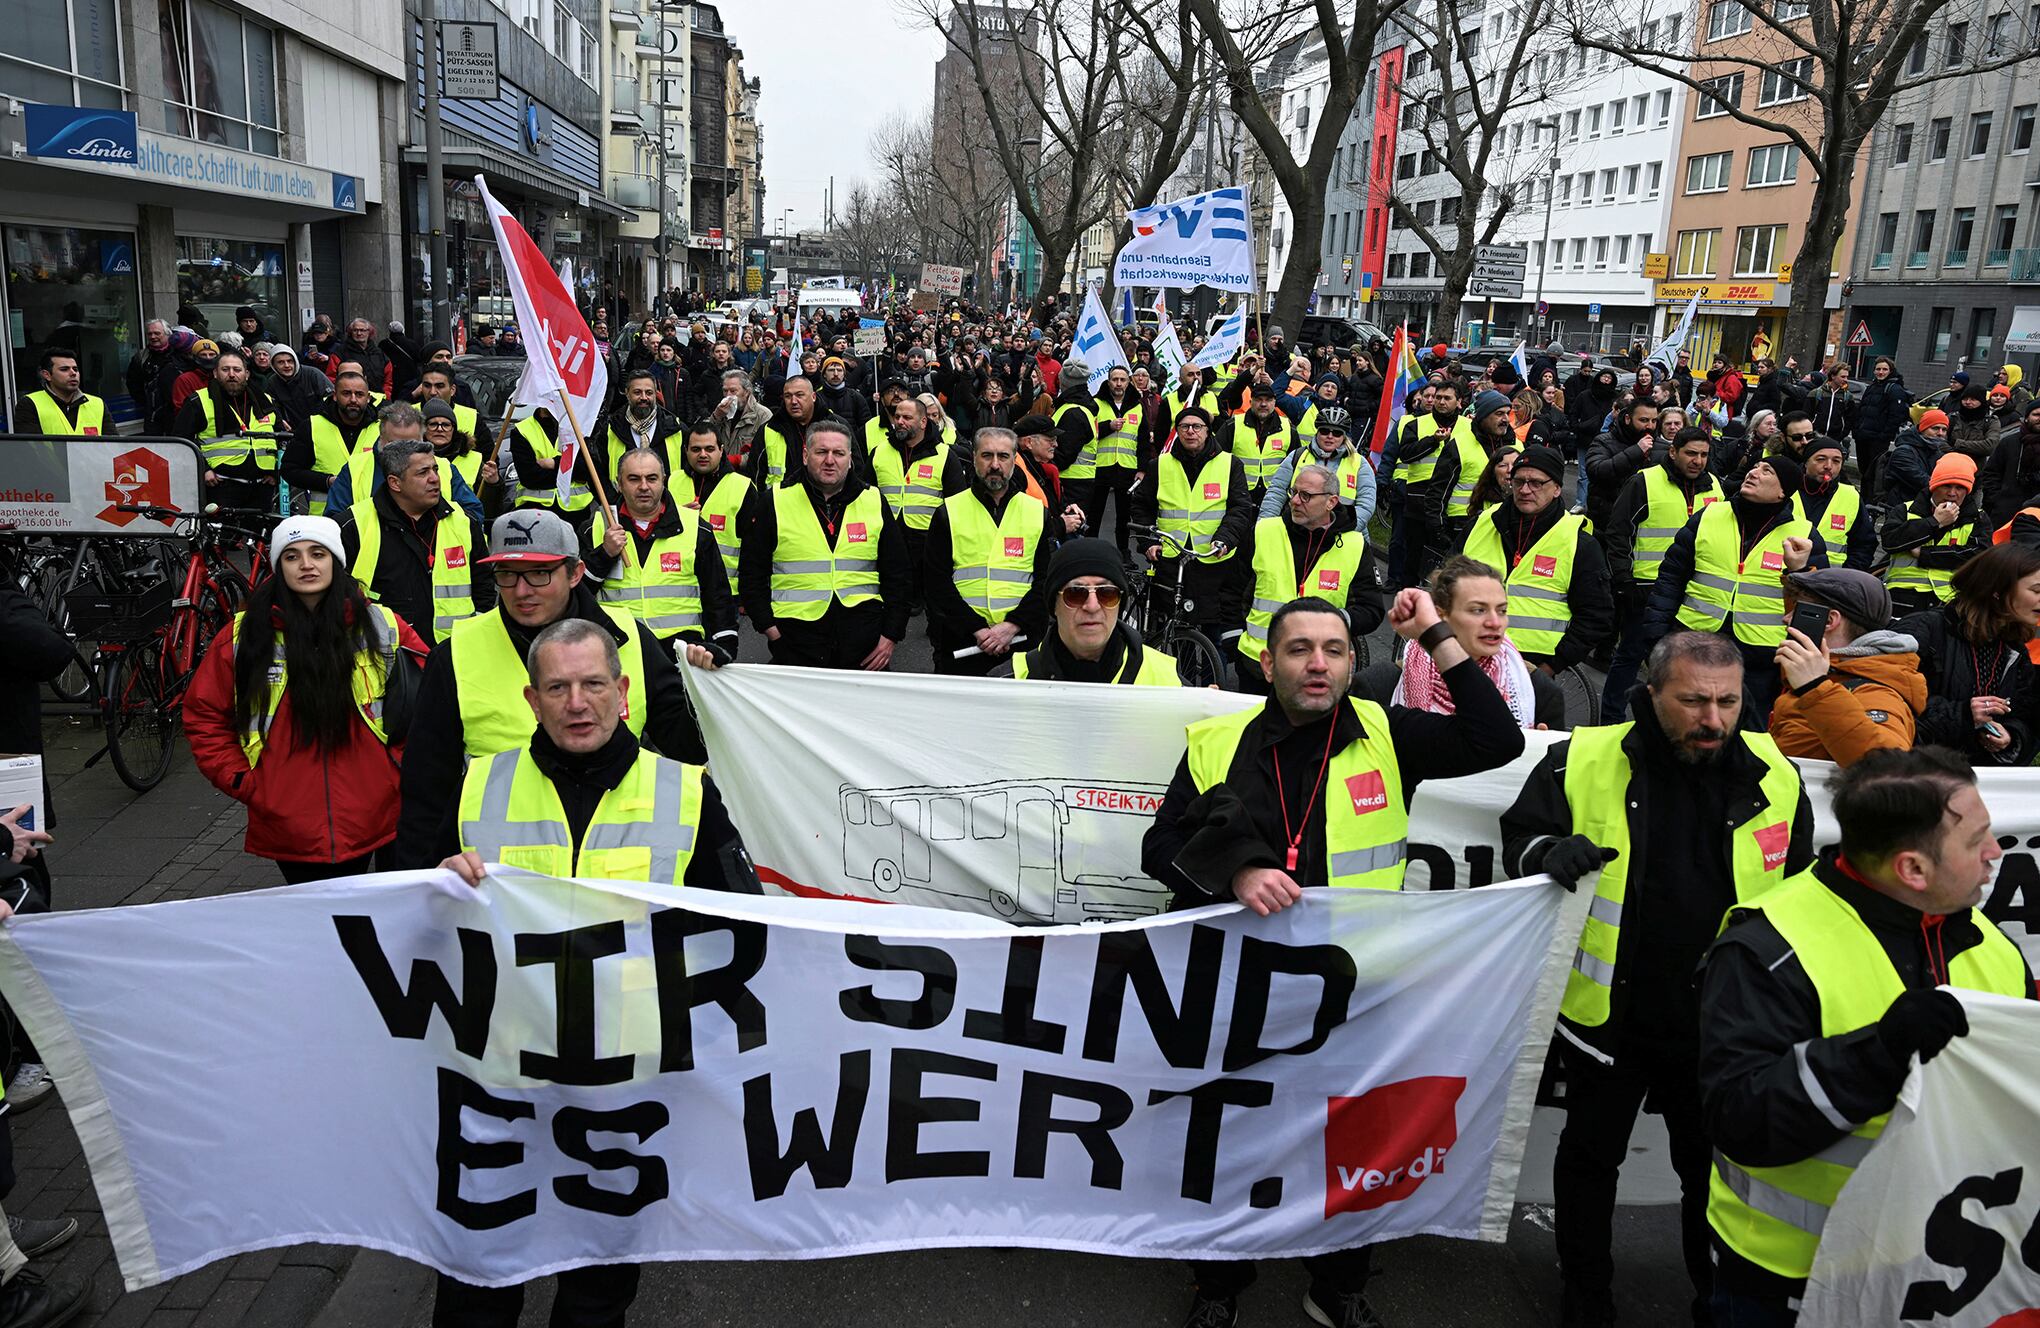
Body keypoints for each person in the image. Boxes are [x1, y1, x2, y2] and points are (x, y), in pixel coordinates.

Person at [1142, 593, 1525, 1328]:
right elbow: (1158, 849)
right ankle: (1219, 1286)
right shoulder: (1218, 741)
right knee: (1233, 1143)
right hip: (1243, 986)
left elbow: (1496, 740)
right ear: (1267, 662)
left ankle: (1339, 1283)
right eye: (1298, 649)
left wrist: (1436, 634)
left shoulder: (1388, 732)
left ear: (1355, 663)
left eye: (1334, 650)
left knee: (1353, 1145)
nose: (1317, 665)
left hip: (1359, 988)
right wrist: (1238, 873)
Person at [432, 621, 753, 1328]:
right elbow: (412, 920)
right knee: (479, 1270)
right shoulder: (478, 785)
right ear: (532, 698)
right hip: (502, 1075)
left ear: (624, 691)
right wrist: (437, 885)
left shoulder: (688, 794)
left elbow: (743, 931)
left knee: (598, 1279)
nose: (577, 703)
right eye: (558, 687)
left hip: (624, 1080)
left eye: (593, 684)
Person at [1500, 630, 1814, 1328]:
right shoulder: (1579, 759)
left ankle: (1715, 1300)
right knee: (1589, 1163)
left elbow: (1801, 896)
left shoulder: (1776, 773)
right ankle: (1586, 1296)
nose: (1714, 720)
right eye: (1694, 701)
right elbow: (1517, 840)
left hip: (1721, 1027)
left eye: (1729, 702)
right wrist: (1548, 850)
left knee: (1711, 1176)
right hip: (1611, 1016)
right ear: (1651, 695)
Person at [1697, 748, 2035, 1326]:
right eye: (1978, 839)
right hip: (1789, 1282)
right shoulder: (1767, 950)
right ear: (1912, 870)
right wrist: (1881, 1052)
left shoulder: (1977, 931)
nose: (1995, 853)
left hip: (1929, 1271)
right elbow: (1742, 1117)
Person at [391, 510, 710, 868]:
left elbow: (690, 745)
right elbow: (425, 790)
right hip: (506, 880)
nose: (521, 591)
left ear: (575, 573)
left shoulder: (630, 637)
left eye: (539, 574)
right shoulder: (455, 654)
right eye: (507, 575)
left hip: (617, 868)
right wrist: (417, 888)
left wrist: (711, 687)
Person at [184, 515, 429, 882]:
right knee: (316, 930)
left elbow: (430, 704)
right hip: (289, 820)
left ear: (337, 561)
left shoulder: (383, 626)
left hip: (375, 810)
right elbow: (204, 716)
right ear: (279, 567)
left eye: (318, 553)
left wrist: (397, 768)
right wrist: (242, 780)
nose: (307, 565)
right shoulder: (242, 636)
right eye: (292, 556)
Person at [1642, 455, 1819, 723]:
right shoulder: (1710, 515)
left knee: (1747, 735)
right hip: (1694, 643)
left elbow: (1815, 606)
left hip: (1760, 659)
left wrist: (1800, 572)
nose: (1755, 472)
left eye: (1767, 471)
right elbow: (1670, 580)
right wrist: (1656, 637)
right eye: (1755, 466)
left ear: (1783, 491)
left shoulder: (1804, 535)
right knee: (1680, 725)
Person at [740, 419, 911, 670]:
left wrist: (890, 637)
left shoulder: (873, 500)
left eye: (838, 453)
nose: (830, 460)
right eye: (821, 452)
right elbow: (751, 573)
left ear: (850, 458)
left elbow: (899, 575)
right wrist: (771, 631)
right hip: (796, 642)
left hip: (865, 646)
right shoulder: (774, 501)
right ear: (806, 455)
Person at [1601, 427, 1723, 719]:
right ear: (1673, 452)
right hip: (1646, 588)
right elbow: (1618, 533)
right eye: (1691, 453)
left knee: (1675, 665)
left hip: (1692, 592)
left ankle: (1660, 725)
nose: (1698, 461)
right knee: (1630, 657)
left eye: (1704, 455)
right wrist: (1625, 582)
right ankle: (1609, 722)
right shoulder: (1644, 482)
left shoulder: (1715, 487)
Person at [1459, 444, 1613, 676]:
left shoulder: (1579, 543)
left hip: (1530, 667)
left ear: (1557, 489)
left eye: (1536, 483)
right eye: (1518, 482)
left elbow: (1596, 616)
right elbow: (1445, 585)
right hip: (1467, 653)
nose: (1525, 490)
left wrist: (1551, 667)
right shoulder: (1481, 524)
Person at [1234, 464, 1385, 693]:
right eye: (1293, 492)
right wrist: (1232, 640)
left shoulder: (1354, 545)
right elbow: (1232, 590)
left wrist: (1333, 619)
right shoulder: (1263, 531)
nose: (1295, 501)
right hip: (1259, 667)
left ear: (1331, 502)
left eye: (1305, 496)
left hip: (1317, 674)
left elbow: (1371, 610)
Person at [921, 427, 1054, 675]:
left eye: (1003, 456)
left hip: (1021, 642)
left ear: (1015, 460)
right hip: (962, 642)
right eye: (987, 456)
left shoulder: (1037, 512)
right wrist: (978, 629)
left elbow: (1046, 581)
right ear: (974, 458)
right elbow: (936, 581)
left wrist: (1012, 626)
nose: (995, 464)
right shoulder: (948, 511)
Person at [332, 439, 488, 646]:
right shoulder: (352, 526)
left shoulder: (464, 522)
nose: (435, 479)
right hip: (383, 655)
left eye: (435, 469)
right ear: (395, 483)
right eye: (422, 473)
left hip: (452, 653)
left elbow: (484, 588)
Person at [1895, 541, 2040, 765]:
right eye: (2036, 590)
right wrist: (1963, 715)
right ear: (1997, 590)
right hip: (1915, 778)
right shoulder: (1922, 630)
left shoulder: (2013, 648)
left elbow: (2025, 716)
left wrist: (2010, 737)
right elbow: (1886, 704)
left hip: (1977, 784)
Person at [1770, 568, 1923, 764]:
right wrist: (1797, 569)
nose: (1786, 618)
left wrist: (1815, 687)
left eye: (1797, 611)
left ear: (1830, 621)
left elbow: (1888, 766)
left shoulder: (1876, 692)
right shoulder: (1833, 672)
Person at [1387, 555, 1561, 728]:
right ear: (1441, 615)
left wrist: (1541, 751)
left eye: (1502, 610)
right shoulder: (1389, 679)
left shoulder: (1537, 688)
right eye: (1478, 610)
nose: (1495, 622)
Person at [1132, 405, 1252, 636]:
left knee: (1212, 627)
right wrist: (1148, 543)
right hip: (1170, 557)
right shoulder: (1160, 465)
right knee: (1173, 626)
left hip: (1213, 558)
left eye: (1197, 426)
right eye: (1184, 427)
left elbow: (1240, 508)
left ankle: (1209, 672)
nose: (1190, 432)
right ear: (1177, 431)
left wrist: (1225, 539)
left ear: (1208, 431)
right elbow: (1141, 507)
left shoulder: (1230, 463)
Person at [992, 538, 1182, 683]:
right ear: (1054, 605)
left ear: (1120, 603)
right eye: (1075, 593)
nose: (1092, 606)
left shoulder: (1169, 681)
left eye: (1107, 593)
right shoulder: (1008, 682)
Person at [322, 402, 484, 524]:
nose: (404, 452)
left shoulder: (445, 469)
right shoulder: (356, 467)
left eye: (412, 444)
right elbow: (334, 521)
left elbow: (473, 515)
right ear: (381, 439)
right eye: (395, 444)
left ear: (423, 440)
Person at [1391, 378, 1485, 582]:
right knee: (1413, 557)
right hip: (1419, 501)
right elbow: (1405, 454)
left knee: (1449, 560)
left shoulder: (1470, 427)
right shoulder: (1416, 424)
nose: (1441, 402)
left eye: (1447, 398)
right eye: (1438, 398)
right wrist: (1433, 441)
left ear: (1459, 402)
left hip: (1454, 507)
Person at [173, 345, 283, 511]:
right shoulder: (199, 401)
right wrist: (203, 470)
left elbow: (281, 439)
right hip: (221, 486)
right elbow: (181, 442)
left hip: (263, 486)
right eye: (225, 369)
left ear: (246, 374)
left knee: (260, 534)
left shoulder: (266, 401)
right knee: (225, 536)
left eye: (237, 370)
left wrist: (276, 473)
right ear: (216, 374)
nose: (231, 374)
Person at [1881, 453, 1986, 616]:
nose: (1952, 493)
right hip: (1902, 596)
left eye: (1959, 488)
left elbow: (1978, 556)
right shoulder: (1906, 510)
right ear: (1934, 486)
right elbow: (1890, 542)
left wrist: (1924, 554)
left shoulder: (1977, 517)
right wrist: (1934, 522)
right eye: (1946, 486)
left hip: (1950, 601)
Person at [1254, 404, 1377, 525]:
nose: (1330, 436)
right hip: (1297, 530)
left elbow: (1366, 504)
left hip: (1341, 533)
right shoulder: (1297, 456)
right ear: (1317, 432)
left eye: (1337, 433)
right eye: (1324, 431)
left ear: (1344, 437)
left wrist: (1348, 528)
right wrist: (1265, 524)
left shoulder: (1360, 463)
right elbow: (1276, 493)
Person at [671, 420, 757, 588]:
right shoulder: (671, 482)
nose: (703, 454)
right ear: (686, 451)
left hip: (726, 589)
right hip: (679, 587)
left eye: (709, 449)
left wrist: (748, 595)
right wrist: (677, 516)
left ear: (721, 450)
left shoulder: (743, 486)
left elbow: (754, 548)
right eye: (696, 449)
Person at [284, 371, 381, 516]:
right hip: (324, 521)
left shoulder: (382, 430)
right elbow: (289, 470)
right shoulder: (312, 426)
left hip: (370, 520)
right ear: (335, 395)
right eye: (346, 393)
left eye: (359, 394)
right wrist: (327, 481)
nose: (353, 399)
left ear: (368, 398)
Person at [1790, 436, 1873, 571]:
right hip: (1780, 578)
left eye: (1836, 461)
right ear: (1806, 462)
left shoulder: (1850, 496)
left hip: (1828, 583)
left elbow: (1864, 545)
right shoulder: (1786, 489)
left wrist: (1847, 575)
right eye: (1821, 459)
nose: (1829, 466)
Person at [1584, 396, 1662, 537]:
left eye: (1654, 421)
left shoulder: (1659, 447)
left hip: (1644, 522)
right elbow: (1596, 471)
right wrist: (1636, 451)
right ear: (1627, 419)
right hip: (1606, 522)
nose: (1649, 426)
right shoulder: (1605, 441)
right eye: (1643, 420)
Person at [1218, 380, 1298, 501]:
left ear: (1275, 402)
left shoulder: (1288, 428)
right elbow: (1218, 459)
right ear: (1250, 402)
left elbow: (1296, 464)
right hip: (1239, 493)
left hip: (1275, 494)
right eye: (1259, 399)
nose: (1263, 404)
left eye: (1268, 400)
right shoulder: (1232, 426)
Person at [11, 346, 104, 436]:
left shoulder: (97, 403)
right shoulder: (29, 404)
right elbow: (31, 447)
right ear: (47, 375)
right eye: (64, 369)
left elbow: (113, 447)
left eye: (75, 369)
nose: (73, 373)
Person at [1853, 356, 1912, 492]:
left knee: (1873, 472)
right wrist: (1857, 430)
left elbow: (1895, 416)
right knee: (1864, 470)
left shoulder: (1894, 389)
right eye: (1878, 369)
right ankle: (1864, 497)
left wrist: (1883, 435)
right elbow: (1862, 410)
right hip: (1863, 436)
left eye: (1884, 369)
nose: (1881, 372)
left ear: (1890, 371)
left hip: (1877, 439)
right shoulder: (1871, 387)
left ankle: (1870, 500)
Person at [1880, 407, 1948, 512]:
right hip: (1902, 508)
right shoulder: (1903, 452)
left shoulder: (1937, 452)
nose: (1940, 433)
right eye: (1935, 428)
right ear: (1923, 428)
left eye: (1944, 430)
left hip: (1924, 505)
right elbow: (1922, 481)